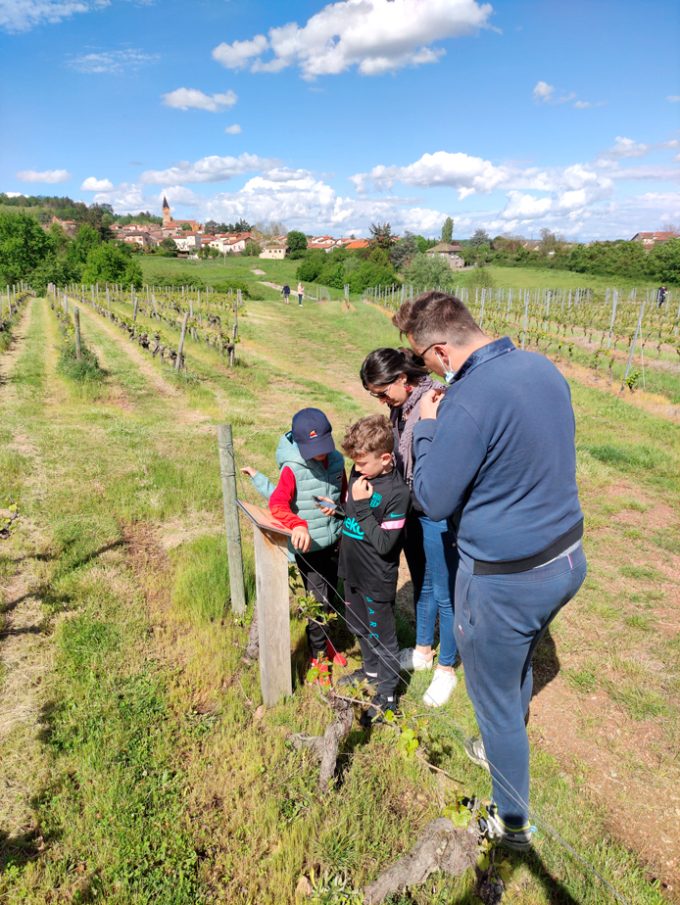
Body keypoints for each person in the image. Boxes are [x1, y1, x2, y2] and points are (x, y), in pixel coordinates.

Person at [393, 291, 587, 851]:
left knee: (495, 703)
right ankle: (502, 742)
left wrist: (429, 425)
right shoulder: (540, 366)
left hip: (507, 578)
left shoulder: (466, 401)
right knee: (518, 659)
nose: (426, 370)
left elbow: (432, 497)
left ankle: (512, 825)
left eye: (424, 359)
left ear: (439, 350)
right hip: (567, 558)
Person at [360, 348, 459, 707]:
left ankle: (446, 669)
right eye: (376, 396)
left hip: (434, 510)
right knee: (422, 584)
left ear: (403, 378)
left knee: (445, 591)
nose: (382, 400)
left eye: (383, 392)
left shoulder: (435, 402)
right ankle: (421, 651)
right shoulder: (400, 407)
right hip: (411, 507)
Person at [242, 408, 347, 682]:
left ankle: (326, 643)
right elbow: (277, 503)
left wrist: (339, 509)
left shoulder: (337, 462)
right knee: (317, 604)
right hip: (309, 550)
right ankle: (318, 658)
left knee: (331, 600)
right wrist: (297, 524)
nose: (321, 454)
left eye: (324, 447)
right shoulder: (292, 469)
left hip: (334, 544)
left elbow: (344, 496)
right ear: (299, 445)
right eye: (314, 449)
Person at [337, 415, 411, 725]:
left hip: (375, 579)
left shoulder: (397, 494)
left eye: (363, 463)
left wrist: (364, 507)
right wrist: (340, 509)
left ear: (385, 458)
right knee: (359, 628)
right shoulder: (359, 476)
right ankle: (369, 671)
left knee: (383, 638)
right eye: (354, 463)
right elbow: (353, 512)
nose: (357, 469)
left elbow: (384, 544)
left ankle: (389, 695)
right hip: (351, 570)